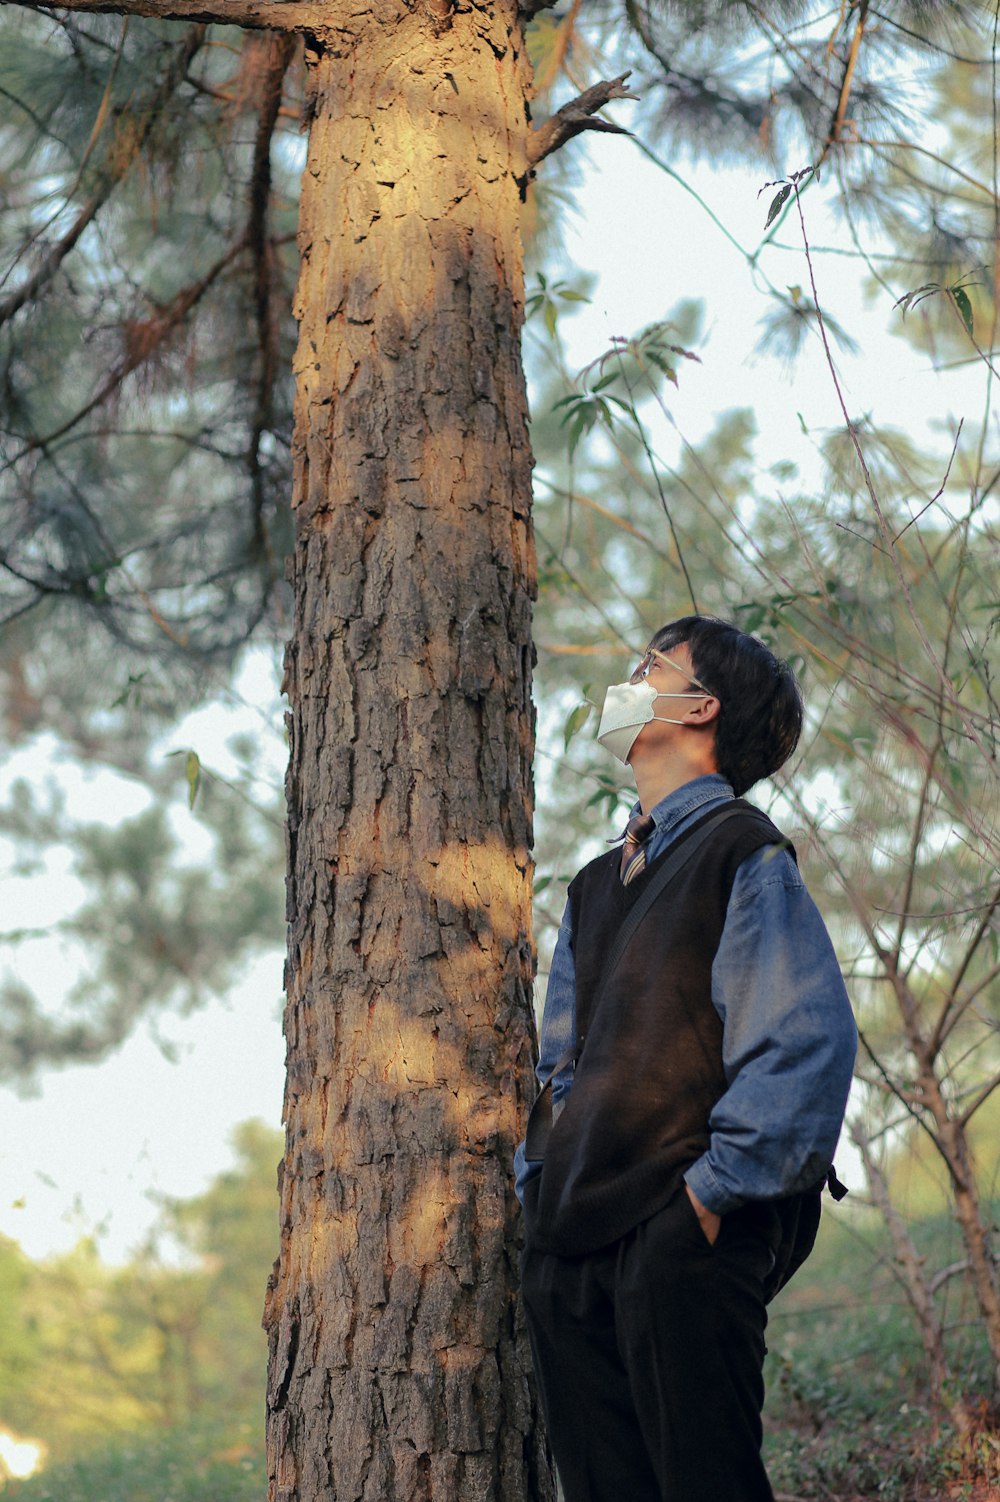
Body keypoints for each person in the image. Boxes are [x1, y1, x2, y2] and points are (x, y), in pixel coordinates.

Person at [515, 614, 857, 1502]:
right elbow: (562, 1067)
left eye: (647, 664)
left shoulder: (744, 853)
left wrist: (705, 1203)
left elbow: (802, 1043)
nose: (626, 679)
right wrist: (540, 1202)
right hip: (573, 1249)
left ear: (699, 707)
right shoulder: (593, 885)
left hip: (684, 1239)